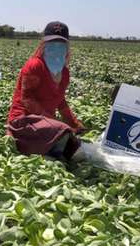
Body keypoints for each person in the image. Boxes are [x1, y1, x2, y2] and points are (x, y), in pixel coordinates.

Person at [6, 21, 85, 161]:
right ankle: (48, 153)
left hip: (46, 126)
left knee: (73, 143)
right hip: (24, 122)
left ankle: (52, 152)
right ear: (43, 45)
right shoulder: (35, 65)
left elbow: (60, 101)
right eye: (52, 44)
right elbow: (27, 99)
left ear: (67, 47)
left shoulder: (64, 73)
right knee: (63, 134)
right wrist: (51, 120)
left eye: (61, 45)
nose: (56, 49)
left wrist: (74, 123)